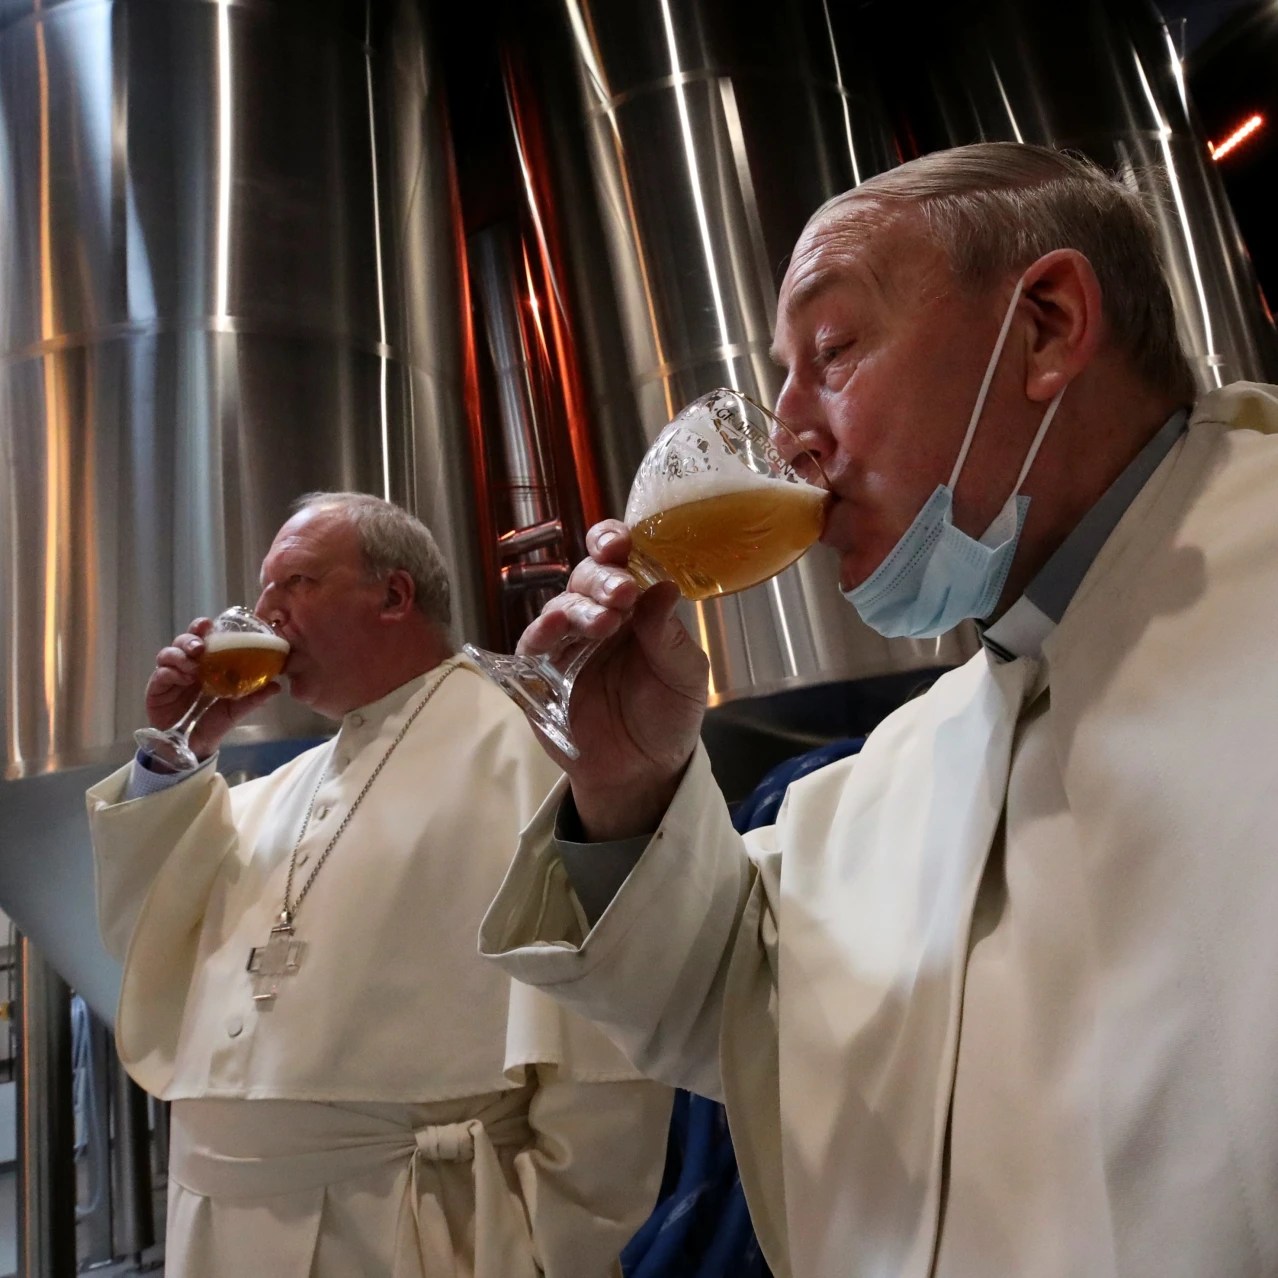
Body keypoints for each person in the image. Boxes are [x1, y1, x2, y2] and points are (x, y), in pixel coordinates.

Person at [477, 143, 1278, 1278]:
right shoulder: (927, 747)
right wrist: (629, 785)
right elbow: (742, 1020)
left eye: (833, 351)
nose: (790, 429)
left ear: (1046, 328)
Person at [86, 492, 671, 1278]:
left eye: (293, 581)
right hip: (216, 1229)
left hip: (423, 1229)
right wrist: (182, 747)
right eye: (262, 592)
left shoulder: (534, 740)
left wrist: (552, 1245)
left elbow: (608, 1039)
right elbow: (146, 937)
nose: (264, 611)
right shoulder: (276, 788)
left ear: (394, 595)